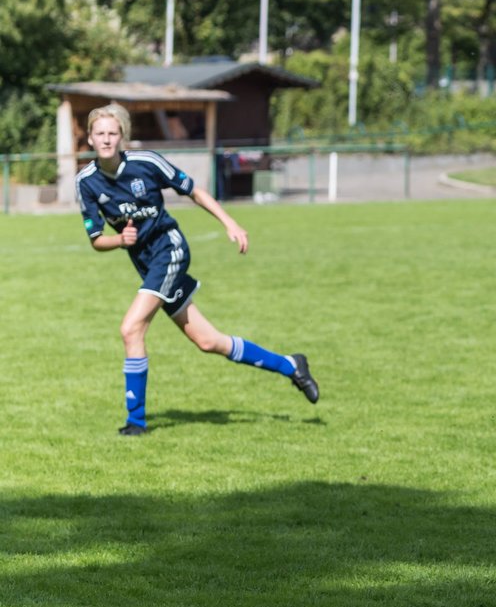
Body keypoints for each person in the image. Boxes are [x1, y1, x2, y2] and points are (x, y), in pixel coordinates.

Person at [76, 103, 319, 435]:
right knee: (209, 341)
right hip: (147, 265)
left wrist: (230, 222)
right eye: (100, 133)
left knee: (131, 328)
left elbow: (193, 191)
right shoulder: (86, 182)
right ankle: (291, 365)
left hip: (170, 249)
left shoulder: (146, 163)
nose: (106, 139)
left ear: (123, 137)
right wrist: (119, 241)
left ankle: (136, 422)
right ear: (90, 138)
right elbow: (95, 240)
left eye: (112, 133)